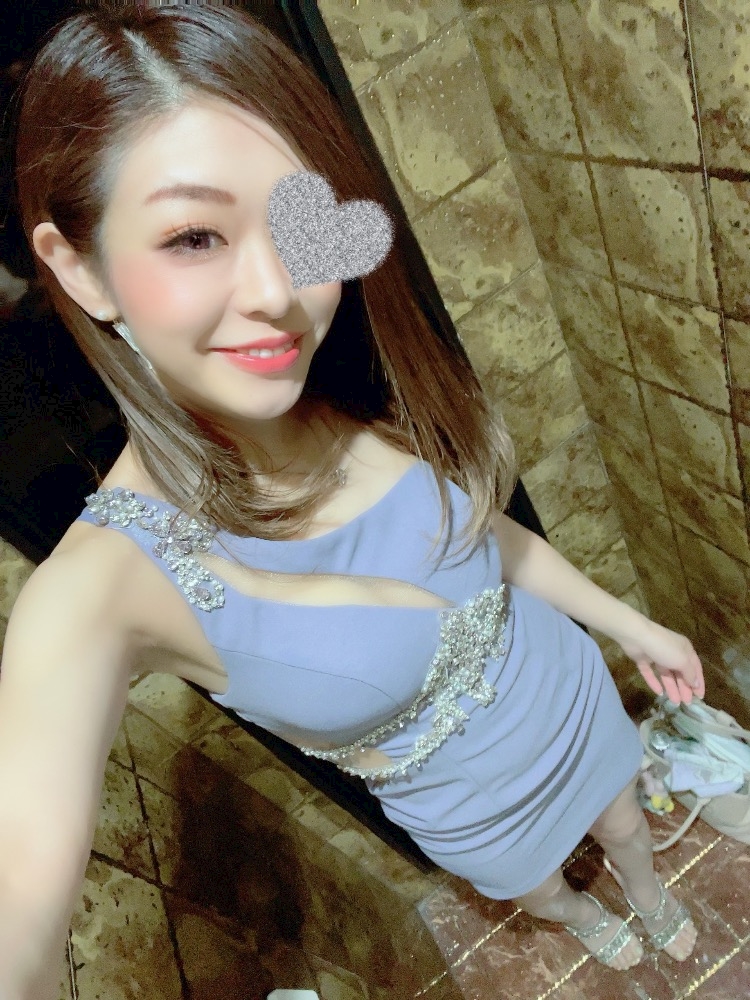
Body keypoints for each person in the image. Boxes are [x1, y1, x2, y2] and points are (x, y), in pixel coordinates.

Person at [2, 4, 704, 997]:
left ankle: (644, 886)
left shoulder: (345, 392)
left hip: (569, 693)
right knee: (542, 890)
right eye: (195, 236)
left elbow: (488, 543)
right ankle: (585, 915)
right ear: (81, 269)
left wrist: (631, 625)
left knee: (626, 819)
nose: (279, 290)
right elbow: (19, 885)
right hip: (472, 812)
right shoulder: (103, 590)